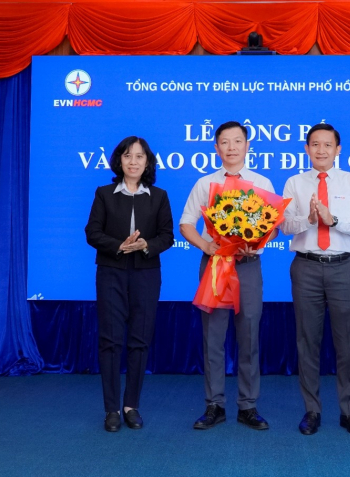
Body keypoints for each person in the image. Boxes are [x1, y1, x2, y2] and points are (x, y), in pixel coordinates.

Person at [179, 121, 275, 431]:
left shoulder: (262, 182)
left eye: (237, 141)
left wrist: (256, 241)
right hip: (215, 266)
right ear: (216, 147)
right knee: (214, 338)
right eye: (224, 141)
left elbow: (273, 227)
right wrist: (205, 244)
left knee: (249, 337)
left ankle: (248, 406)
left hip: (248, 266)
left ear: (248, 146)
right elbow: (186, 223)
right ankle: (214, 405)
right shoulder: (204, 183)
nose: (231, 147)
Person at [279, 123, 350, 436]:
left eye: (327, 145)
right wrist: (308, 219)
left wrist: (334, 220)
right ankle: (312, 411)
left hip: (343, 268)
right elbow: (284, 226)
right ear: (306, 149)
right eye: (315, 144)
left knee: (346, 342)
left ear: (338, 149)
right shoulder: (294, 182)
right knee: (307, 342)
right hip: (305, 267)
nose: (321, 150)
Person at [85, 136, 174, 432]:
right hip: (111, 272)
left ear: (147, 162)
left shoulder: (159, 196)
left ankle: (131, 406)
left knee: (140, 340)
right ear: (119, 161)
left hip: (146, 274)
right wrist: (119, 246)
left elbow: (167, 236)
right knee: (110, 340)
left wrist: (146, 245)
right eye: (127, 156)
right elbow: (92, 232)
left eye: (139, 156)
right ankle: (111, 409)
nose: (133, 161)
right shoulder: (104, 194)